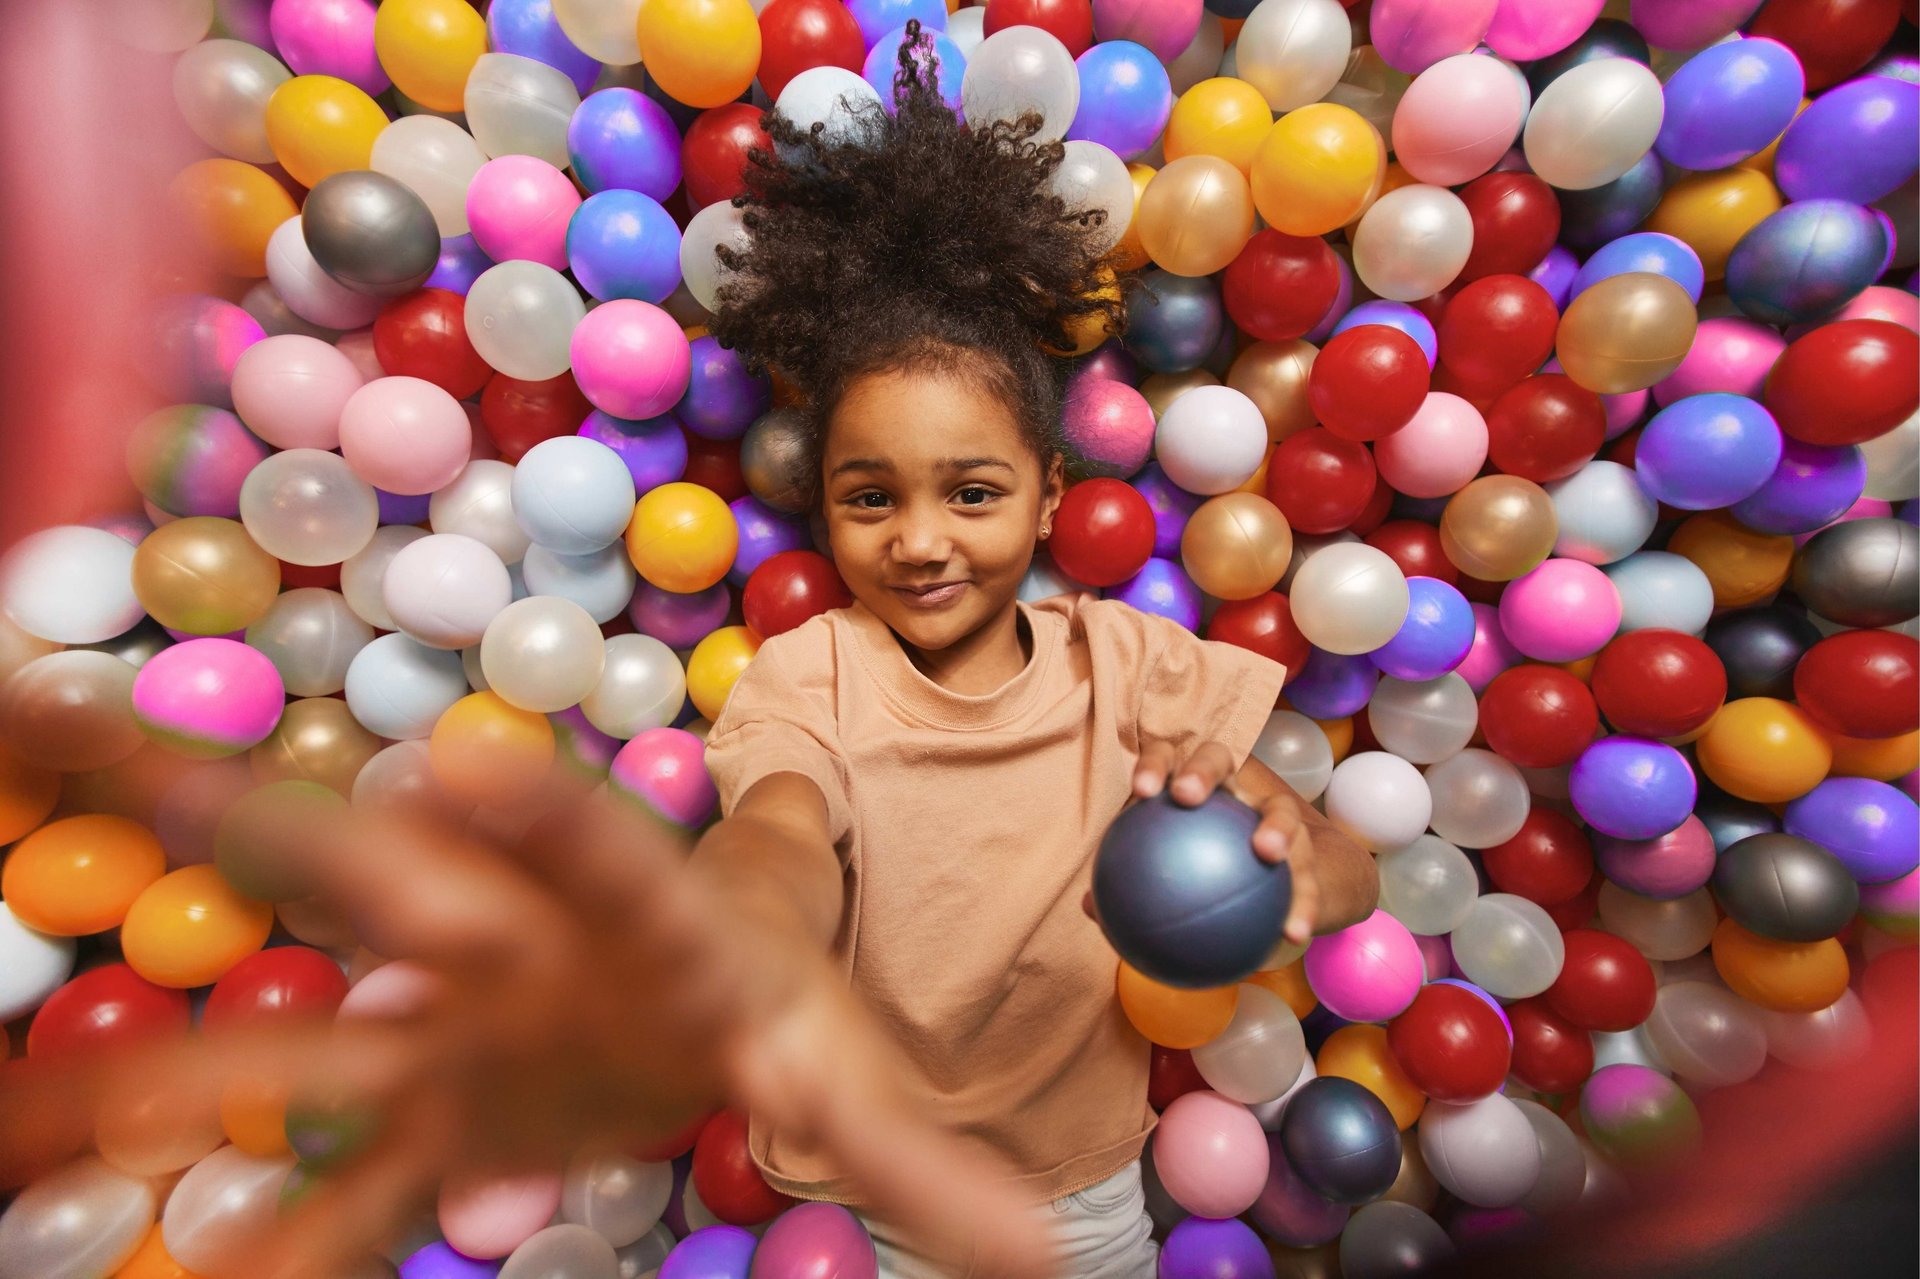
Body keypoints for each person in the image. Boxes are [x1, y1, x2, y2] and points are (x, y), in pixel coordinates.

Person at [690, 23, 1378, 1276]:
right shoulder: (813, 674)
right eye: (869, 498)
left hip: (1072, 1200)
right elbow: (777, 828)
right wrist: (739, 916)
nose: (919, 542)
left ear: (1050, 497)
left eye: (972, 493)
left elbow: (1339, 863)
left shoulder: (1132, 668)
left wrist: (1307, 864)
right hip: (853, 1202)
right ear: (823, 508)